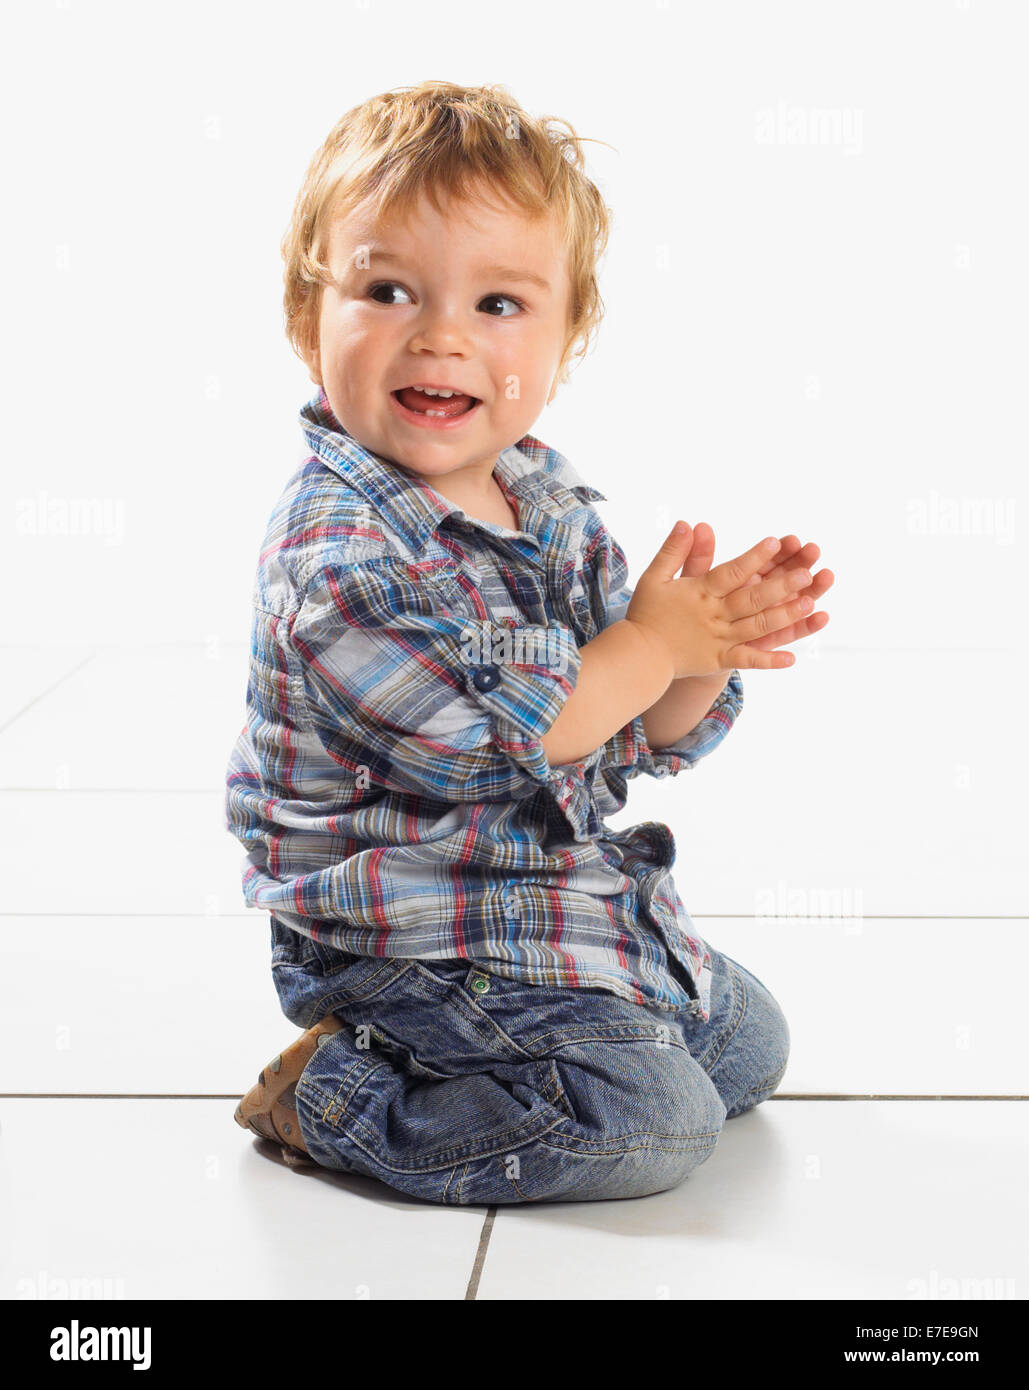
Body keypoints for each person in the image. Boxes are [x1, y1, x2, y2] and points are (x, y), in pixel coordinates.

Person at [224, 80, 834, 1204]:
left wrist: (702, 648)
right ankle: (342, 1094)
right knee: (648, 1129)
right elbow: (511, 742)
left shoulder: (540, 499)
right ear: (307, 321)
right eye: (388, 289)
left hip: (537, 898)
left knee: (751, 1047)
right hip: (405, 939)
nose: (441, 333)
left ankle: (546, 1047)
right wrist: (647, 644)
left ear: (567, 337)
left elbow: (633, 728)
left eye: (499, 303)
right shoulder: (338, 559)